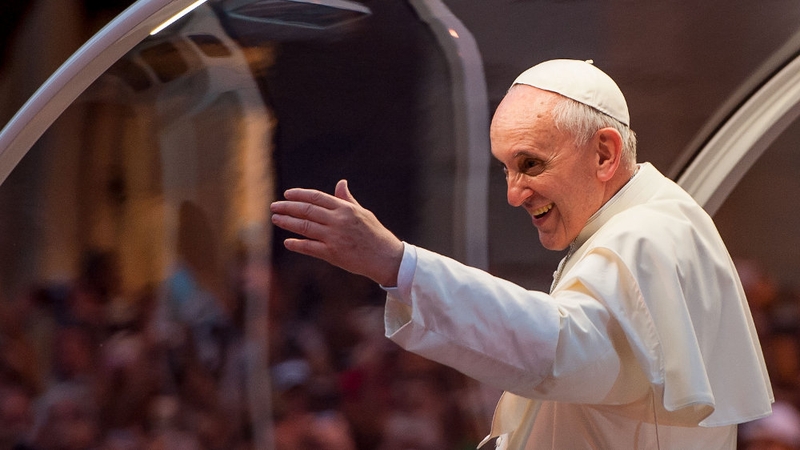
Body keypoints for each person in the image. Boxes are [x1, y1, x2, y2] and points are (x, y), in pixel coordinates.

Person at [269, 59, 773, 449]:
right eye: (506, 168)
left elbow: (557, 348)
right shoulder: (639, 224)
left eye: (530, 163)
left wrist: (398, 265)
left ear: (604, 153)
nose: (514, 193)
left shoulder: (646, 237)